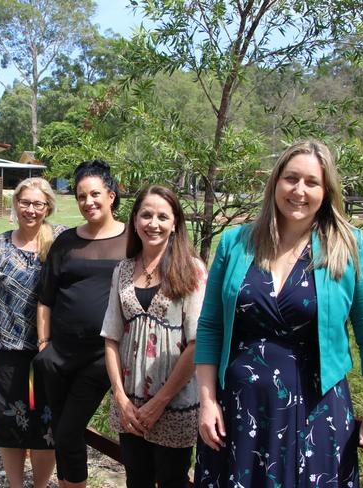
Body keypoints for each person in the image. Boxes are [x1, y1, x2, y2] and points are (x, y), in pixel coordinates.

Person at [194, 139, 363, 486]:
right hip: (238, 411)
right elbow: (211, 326)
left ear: (326, 190)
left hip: (318, 412)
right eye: (291, 178)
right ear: (275, 182)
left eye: (311, 182)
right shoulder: (235, 243)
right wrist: (207, 400)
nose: (299, 190)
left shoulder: (350, 246)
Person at [101, 185, 206, 488]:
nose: (154, 224)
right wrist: (119, 397)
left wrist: (160, 402)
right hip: (129, 405)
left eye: (163, 216)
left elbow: (197, 343)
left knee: (173, 480)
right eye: (146, 215)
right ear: (134, 220)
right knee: (136, 479)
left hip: (174, 403)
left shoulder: (191, 270)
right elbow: (111, 336)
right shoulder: (122, 270)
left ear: (175, 224)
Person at [33, 159, 128, 488]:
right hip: (58, 355)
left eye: (95, 194)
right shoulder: (66, 242)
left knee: (69, 430)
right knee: (62, 432)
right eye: (81, 196)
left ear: (111, 195)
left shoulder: (133, 239)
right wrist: (44, 346)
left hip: (103, 356)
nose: (89, 202)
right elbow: (46, 298)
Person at [0, 177, 66, 488]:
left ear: (48, 207)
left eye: (37, 204)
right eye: (24, 202)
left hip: (48, 354)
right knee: (9, 427)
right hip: (4, 355)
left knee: (46, 428)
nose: (30, 209)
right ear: (15, 204)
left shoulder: (60, 242)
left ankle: (39, 486)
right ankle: (15, 485)